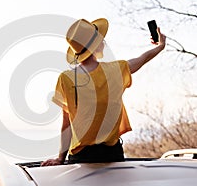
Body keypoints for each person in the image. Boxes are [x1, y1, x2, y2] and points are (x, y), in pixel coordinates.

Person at [41, 18, 166, 166]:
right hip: (112, 154)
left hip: (81, 157)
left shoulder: (66, 79)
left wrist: (60, 158)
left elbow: (66, 124)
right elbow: (142, 59)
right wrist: (160, 46)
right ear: (95, 46)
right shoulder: (115, 70)